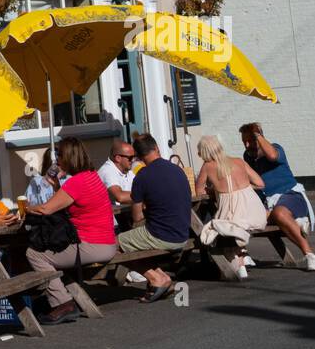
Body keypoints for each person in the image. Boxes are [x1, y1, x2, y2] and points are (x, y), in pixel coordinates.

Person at [25, 137, 117, 324]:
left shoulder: (76, 183)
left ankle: (63, 303)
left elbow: (46, 209)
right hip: (108, 242)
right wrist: (57, 185)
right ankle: (64, 296)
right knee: (53, 247)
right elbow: (69, 201)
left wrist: (25, 208)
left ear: (69, 157)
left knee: (35, 253)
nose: (56, 160)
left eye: (59, 155)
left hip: (91, 245)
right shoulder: (91, 176)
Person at [116, 133, 192, 302]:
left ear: (137, 156)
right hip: (183, 233)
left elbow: (136, 217)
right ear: (156, 148)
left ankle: (155, 277)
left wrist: (145, 206)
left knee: (114, 244)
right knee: (136, 240)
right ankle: (161, 276)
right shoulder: (177, 170)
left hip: (162, 235)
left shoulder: (142, 177)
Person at [240, 124, 315, 270]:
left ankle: (310, 254)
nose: (247, 145)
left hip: (290, 195)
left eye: (250, 140)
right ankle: (242, 255)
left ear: (259, 137)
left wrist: (258, 135)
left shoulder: (276, 148)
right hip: (267, 202)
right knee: (241, 213)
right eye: (244, 142)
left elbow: (273, 156)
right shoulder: (247, 157)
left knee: (279, 213)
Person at [195, 134, 267, 278]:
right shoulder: (239, 161)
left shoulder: (208, 166)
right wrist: (244, 187)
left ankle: (239, 263)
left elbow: (198, 191)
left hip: (232, 211)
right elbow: (260, 184)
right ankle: (242, 256)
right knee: (229, 230)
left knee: (219, 229)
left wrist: (215, 189)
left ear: (204, 152)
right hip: (254, 210)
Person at [97, 139, 137, 206]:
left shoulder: (128, 171)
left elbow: (140, 188)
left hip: (122, 212)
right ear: (118, 158)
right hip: (112, 215)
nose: (133, 160)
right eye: (130, 158)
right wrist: (146, 195)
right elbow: (120, 197)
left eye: (134, 157)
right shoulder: (107, 171)